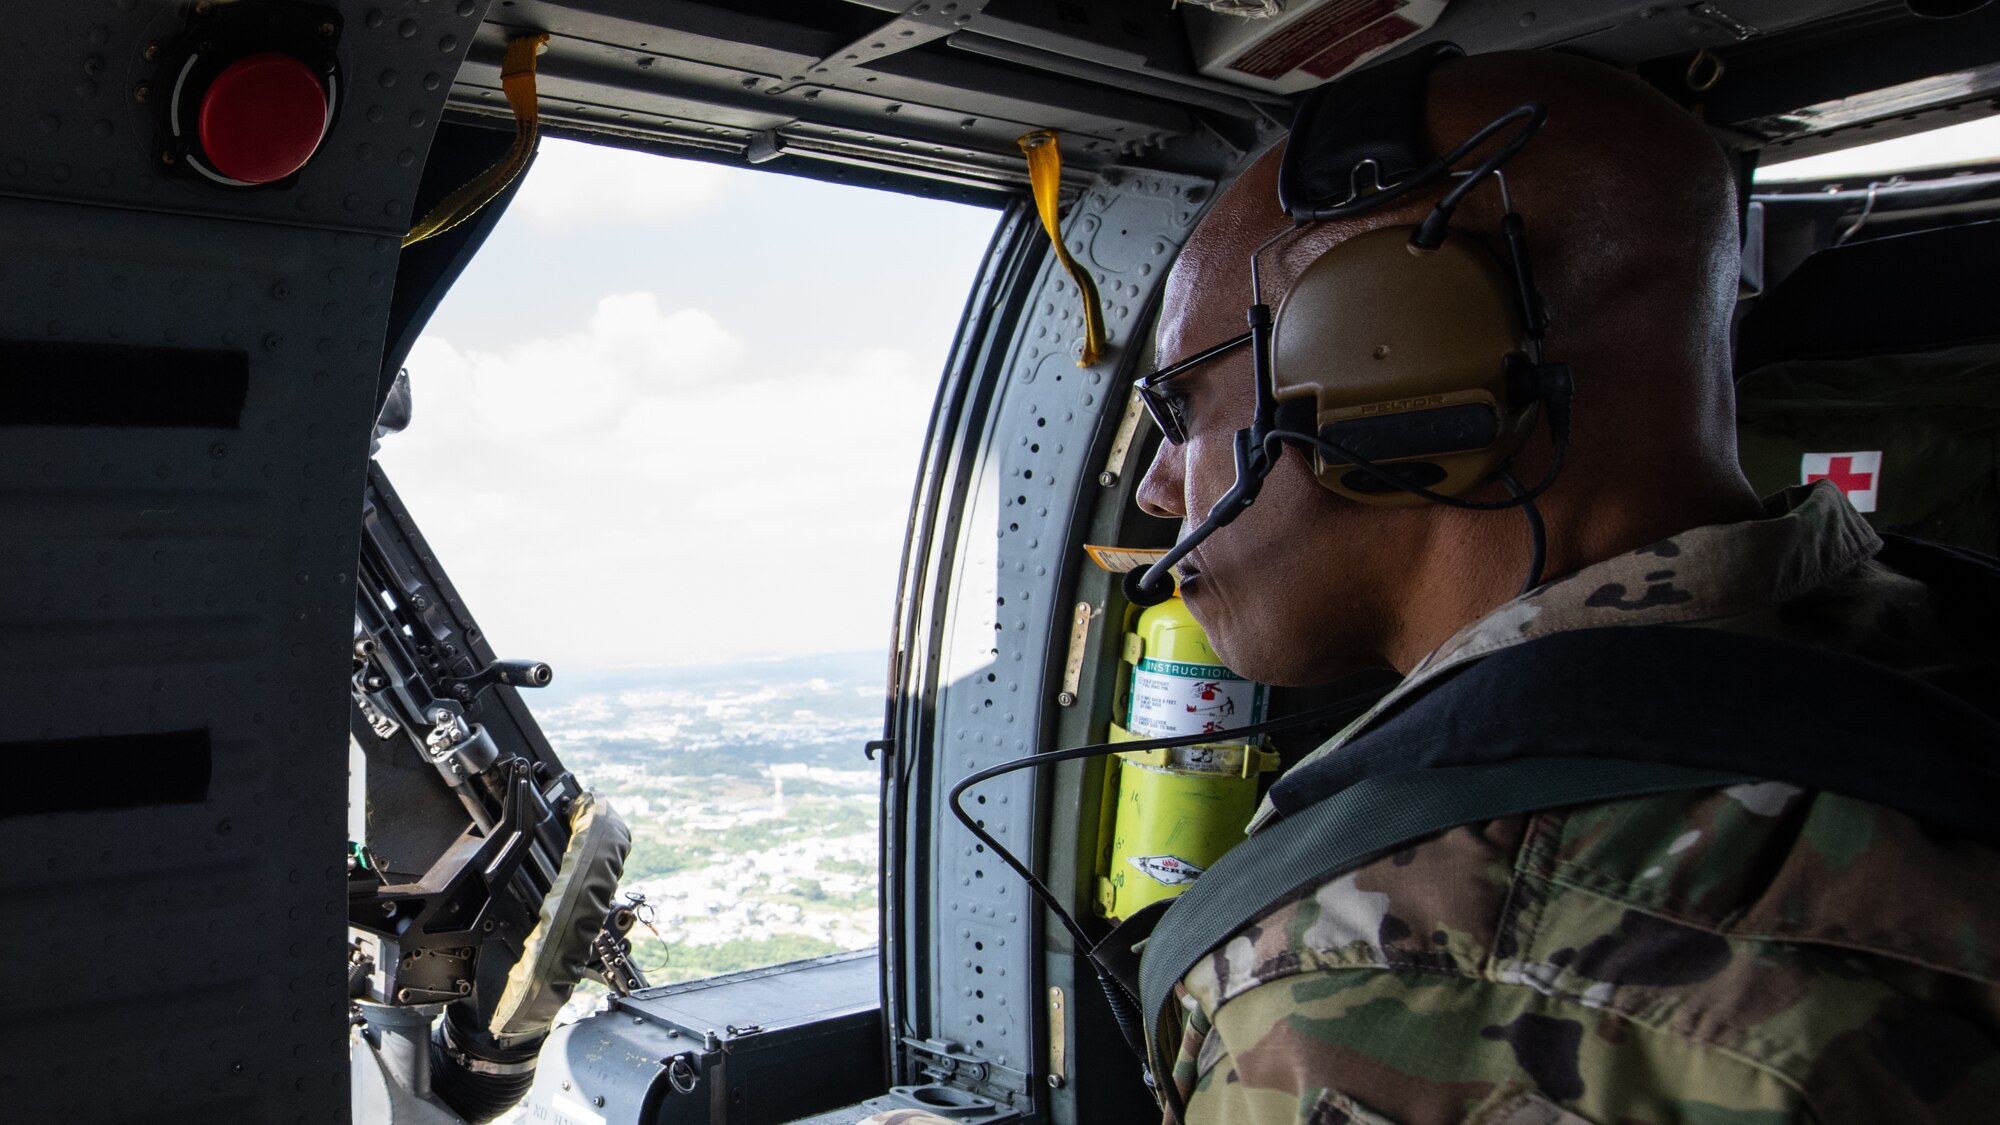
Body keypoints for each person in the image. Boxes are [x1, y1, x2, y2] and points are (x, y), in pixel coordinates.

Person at [1128, 49, 2000, 1124]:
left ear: (1380, 370)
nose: (1160, 494)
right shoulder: (1939, 631)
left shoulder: (1401, 977)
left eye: (1177, 413)